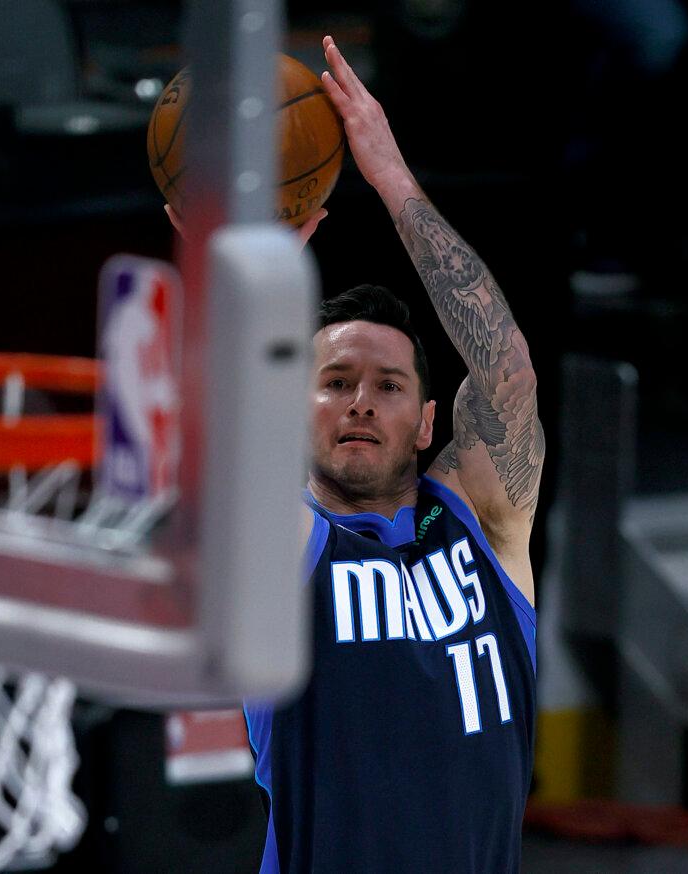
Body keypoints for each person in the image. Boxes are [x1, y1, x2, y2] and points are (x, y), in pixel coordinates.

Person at [244, 37, 542, 873]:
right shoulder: (285, 544)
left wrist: (390, 178)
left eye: (388, 385)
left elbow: (509, 371)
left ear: (427, 423)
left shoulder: (481, 523)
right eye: (335, 382)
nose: (362, 400)